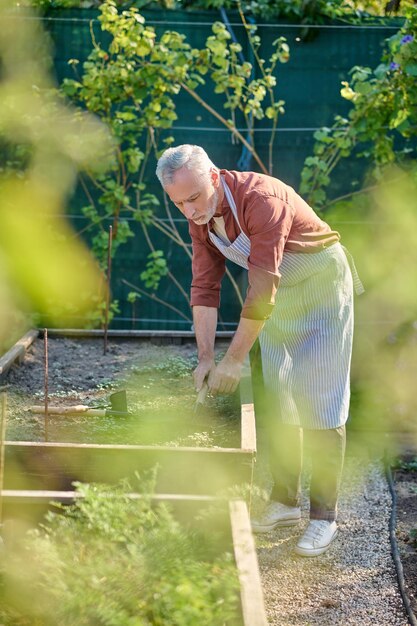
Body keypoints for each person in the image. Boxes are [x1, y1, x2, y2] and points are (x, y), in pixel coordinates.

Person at [155, 144, 363, 557]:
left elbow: (262, 286)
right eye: (179, 203)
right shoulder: (201, 221)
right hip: (277, 302)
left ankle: (324, 518)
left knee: (322, 401)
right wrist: (205, 359)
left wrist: (233, 360)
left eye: (194, 198)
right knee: (280, 399)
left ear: (213, 177)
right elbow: (204, 288)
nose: (190, 211)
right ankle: (285, 504)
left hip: (320, 289)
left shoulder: (262, 199)